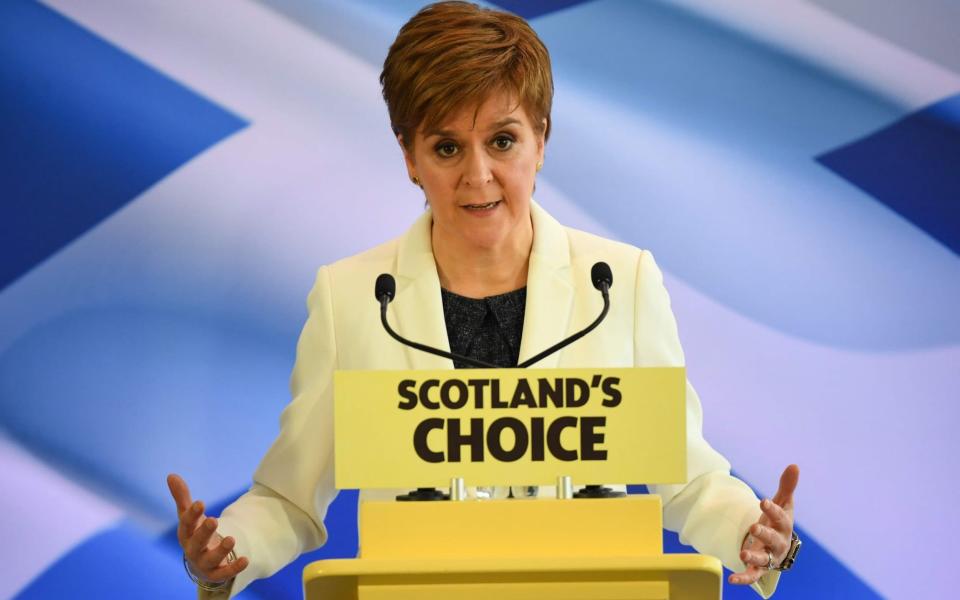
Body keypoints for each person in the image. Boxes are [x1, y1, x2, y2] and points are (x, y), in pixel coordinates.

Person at [167, 2, 800, 598]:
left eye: (502, 140)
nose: (477, 176)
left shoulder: (620, 282)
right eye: (446, 148)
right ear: (409, 156)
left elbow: (683, 473)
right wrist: (228, 546)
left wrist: (751, 529)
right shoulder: (353, 297)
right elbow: (291, 497)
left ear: (540, 140)